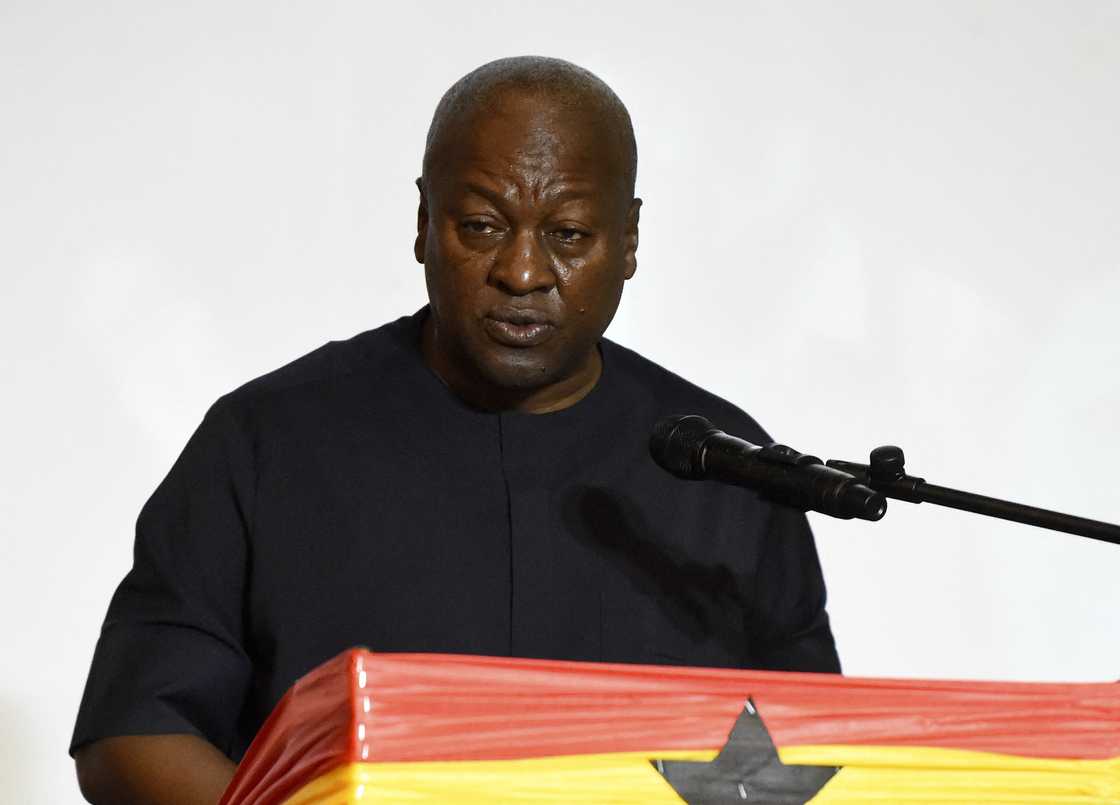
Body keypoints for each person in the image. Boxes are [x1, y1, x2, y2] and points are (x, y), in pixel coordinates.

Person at [72, 56, 840, 804]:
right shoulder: (266, 441)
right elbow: (134, 735)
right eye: (481, 224)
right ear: (423, 222)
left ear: (629, 239)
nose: (523, 271)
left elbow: (820, 763)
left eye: (569, 235)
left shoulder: (727, 473)